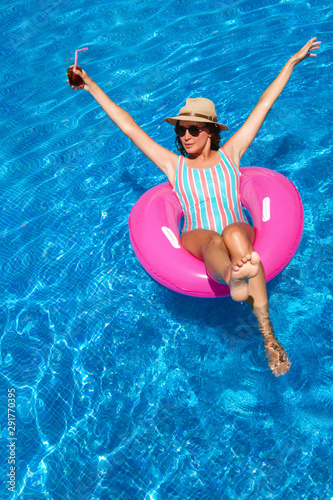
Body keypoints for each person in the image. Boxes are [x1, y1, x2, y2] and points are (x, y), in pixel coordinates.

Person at [68, 38, 321, 376]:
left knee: (233, 232)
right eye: (181, 130)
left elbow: (265, 104)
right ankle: (234, 277)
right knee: (213, 240)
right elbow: (128, 126)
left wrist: (292, 62)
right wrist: (91, 86)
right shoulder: (174, 166)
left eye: (192, 129)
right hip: (197, 238)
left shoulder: (231, 154)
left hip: (236, 231)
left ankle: (269, 337)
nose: (185, 136)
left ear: (210, 132)